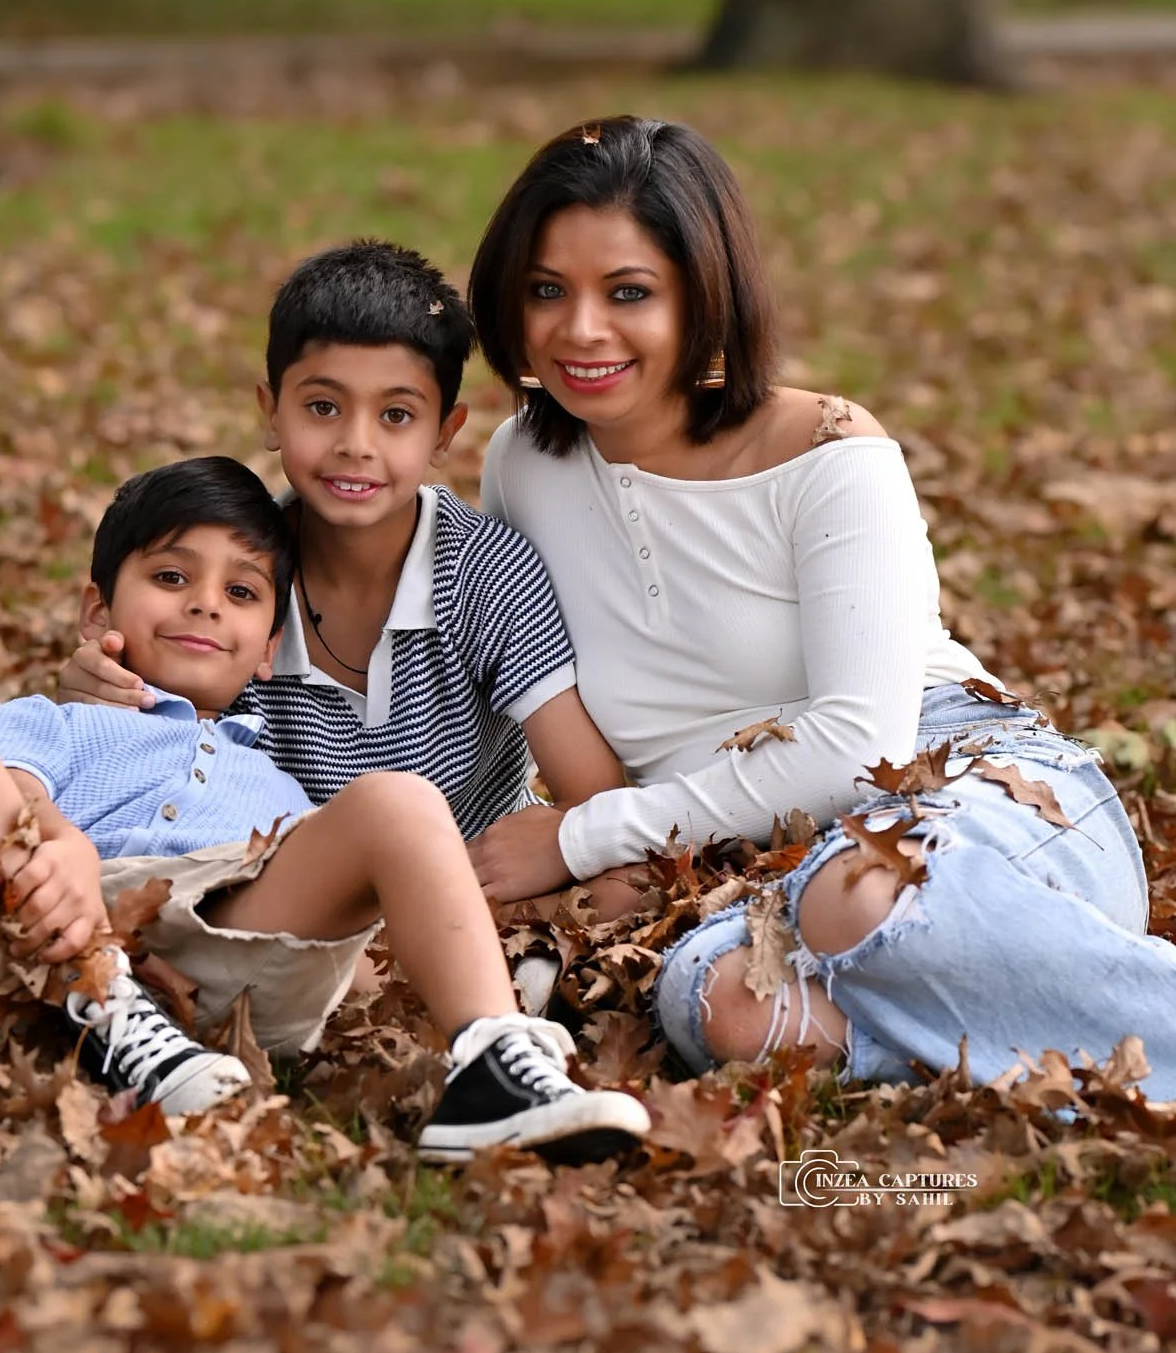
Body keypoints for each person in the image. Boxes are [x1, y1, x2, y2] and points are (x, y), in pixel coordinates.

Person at [465, 115, 1176, 1096]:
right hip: (736, 862)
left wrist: (583, 837)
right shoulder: (524, 463)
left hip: (967, 786)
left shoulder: (827, 450)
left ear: (704, 297)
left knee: (859, 894)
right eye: (548, 290)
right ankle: (1042, 1044)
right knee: (731, 1010)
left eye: (628, 292)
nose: (579, 330)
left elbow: (853, 748)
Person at [0, 457, 651, 1163]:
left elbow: (358, 894)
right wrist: (58, 840)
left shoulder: (277, 757)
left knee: (401, 802)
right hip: (23, 948)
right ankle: (105, 1008)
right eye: (171, 578)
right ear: (97, 614)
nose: (205, 606)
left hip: (220, 961)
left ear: (271, 647)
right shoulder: (63, 719)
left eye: (240, 593)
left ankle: (494, 1063)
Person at [57, 242, 625, 843]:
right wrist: (96, 701)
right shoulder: (234, 588)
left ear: (445, 433)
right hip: (294, 898)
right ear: (272, 413)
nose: (356, 443)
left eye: (397, 416)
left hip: (480, 884)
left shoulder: (487, 572)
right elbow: (155, 771)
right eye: (323, 406)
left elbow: (591, 793)